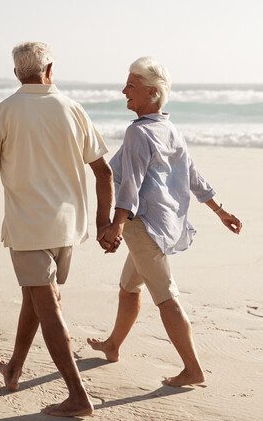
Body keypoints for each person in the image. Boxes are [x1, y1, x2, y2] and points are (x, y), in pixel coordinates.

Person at [0, 41, 118, 417]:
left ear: (17, 73)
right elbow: (104, 172)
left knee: (46, 304)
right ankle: (14, 369)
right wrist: (102, 223)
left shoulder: (2, 112)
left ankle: (78, 396)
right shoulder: (74, 109)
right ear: (50, 70)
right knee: (36, 298)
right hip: (67, 228)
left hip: (28, 228)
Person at [88, 56, 242, 387]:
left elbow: (130, 185)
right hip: (155, 222)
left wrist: (115, 225)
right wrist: (220, 210)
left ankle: (192, 369)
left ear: (152, 92)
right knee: (129, 287)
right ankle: (113, 345)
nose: (124, 90)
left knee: (165, 296)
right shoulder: (169, 128)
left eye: (132, 85)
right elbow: (192, 175)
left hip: (141, 225)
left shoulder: (138, 133)